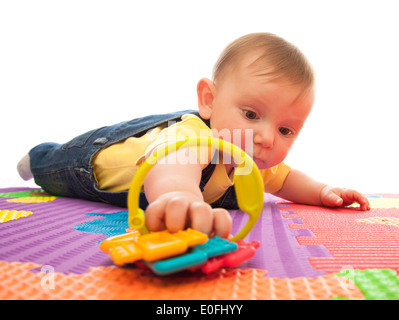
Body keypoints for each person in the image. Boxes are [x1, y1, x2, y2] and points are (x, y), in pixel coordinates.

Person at [17, 33, 370, 239]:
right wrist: (178, 198)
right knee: (52, 169)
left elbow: (288, 179)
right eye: (251, 114)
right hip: (89, 165)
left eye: (285, 130)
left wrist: (325, 192)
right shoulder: (193, 137)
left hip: (133, 182)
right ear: (210, 101)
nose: (266, 138)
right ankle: (36, 156)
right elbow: (173, 168)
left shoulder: (254, 162)